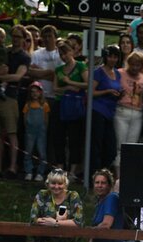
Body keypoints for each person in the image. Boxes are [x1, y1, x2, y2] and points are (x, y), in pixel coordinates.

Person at [0, 26, 30, 178]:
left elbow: (18, 77)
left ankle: (12, 167)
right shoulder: (3, 50)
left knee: (12, 133)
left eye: (19, 36)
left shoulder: (24, 56)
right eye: (14, 36)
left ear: (24, 38)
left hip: (11, 96)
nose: (15, 39)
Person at [53, 41, 88, 182]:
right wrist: (68, 88)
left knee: (75, 139)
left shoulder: (80, 66)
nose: (64, 56)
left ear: (72, 52)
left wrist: (71, 82)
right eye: (61, 54)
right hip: (60, 104)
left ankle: (73, 171)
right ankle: (60, 168)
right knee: (59, 138)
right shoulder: (58, 70)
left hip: (76, 106)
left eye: (66, 52)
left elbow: (87, 83)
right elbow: (55, 88)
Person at [28, 25, 62, 163]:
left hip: (55, 97)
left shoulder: (60, 54)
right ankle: (36, 163)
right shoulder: (36, 54)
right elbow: (30, 72)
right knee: (37, 132)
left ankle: (51, 162)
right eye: (45, 36)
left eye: (50, 36)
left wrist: (41, 72)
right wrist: (49, 73)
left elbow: (60, 75)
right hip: (39, 98)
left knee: (53, 132)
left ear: (55, 37)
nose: (48, 39)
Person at [114, 51, 143, 176]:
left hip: (137, 113)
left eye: (138, 65)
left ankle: (127, 173)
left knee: (131, 145)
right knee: (120, 145)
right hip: (121, 111)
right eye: (132, 64)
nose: (134, 68)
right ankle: (118, 174)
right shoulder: (119, 73)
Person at [90, 45, 122, 174]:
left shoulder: (118, 74)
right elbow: (91, 92)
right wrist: (107, 91)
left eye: (115, 57)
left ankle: (103, 172)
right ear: (105, 57)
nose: (112, 59)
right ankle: (94, 174)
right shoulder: (98, 72)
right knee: (96, 145)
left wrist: (120, 94)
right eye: (110, 56)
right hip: (98, 111)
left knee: (111, 149)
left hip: (110, 113)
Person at [22, 81, 50, 181]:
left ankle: (40, 173)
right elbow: (25, 118)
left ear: (40, 92)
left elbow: (46, 119)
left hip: (41, 131)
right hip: (30, 131)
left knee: (42, 152)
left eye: (37, 91)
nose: (34, 94)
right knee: (28, 151)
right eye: (32, 92)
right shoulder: (27, 105)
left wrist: (43, 128)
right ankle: (29, 171)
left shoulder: (44, 105)